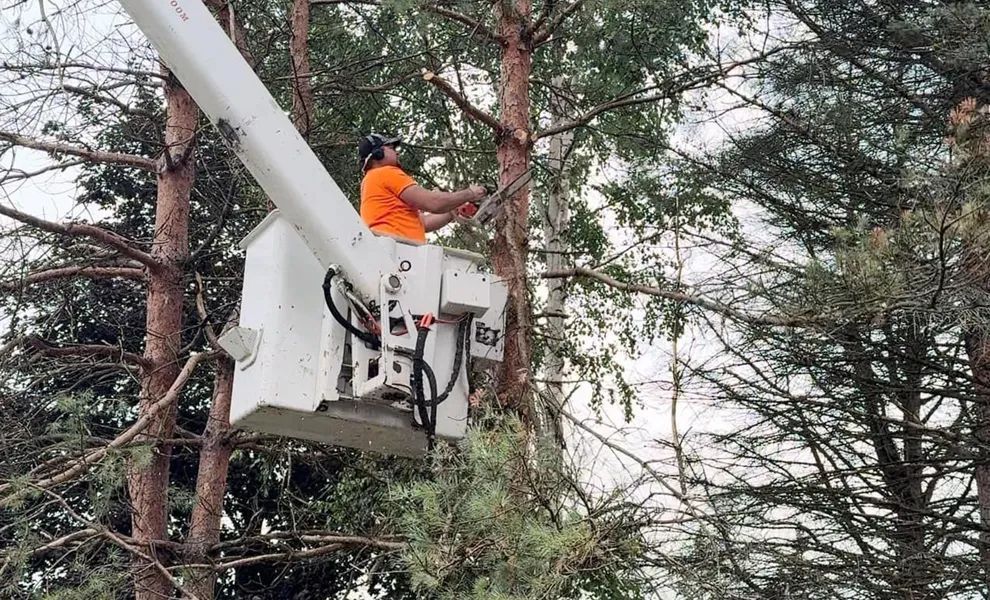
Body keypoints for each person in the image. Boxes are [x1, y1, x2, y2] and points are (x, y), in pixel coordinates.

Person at [357, 133, 486, 243]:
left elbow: (423, 223)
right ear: (378, 153)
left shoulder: (371, 181)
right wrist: (470, 193)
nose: (396, 152)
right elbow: (433, 203)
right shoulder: (386, 173)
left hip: (394, 249)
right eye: (391, 148)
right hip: (398, 248)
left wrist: (453, 211)